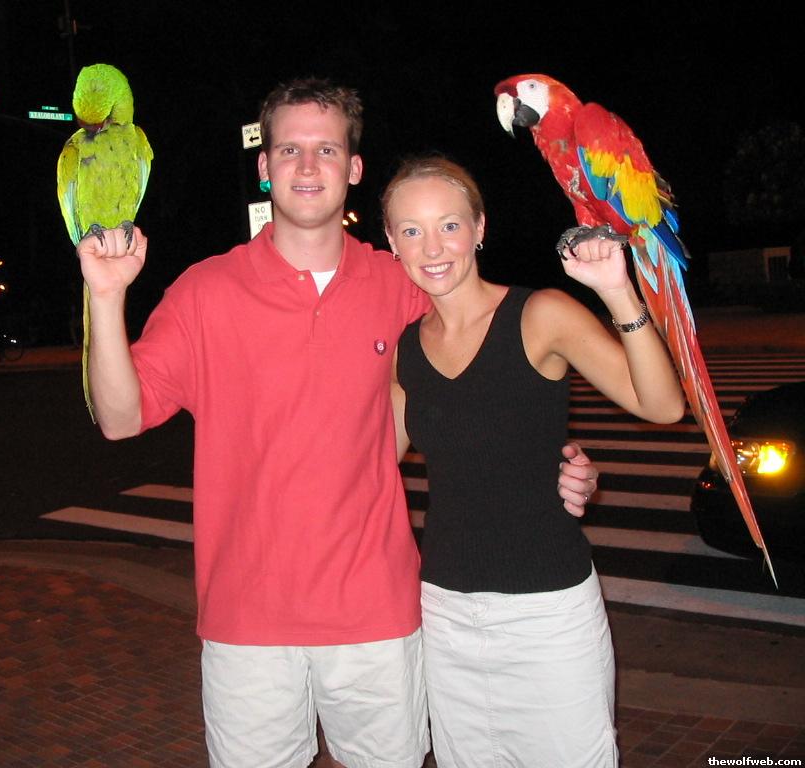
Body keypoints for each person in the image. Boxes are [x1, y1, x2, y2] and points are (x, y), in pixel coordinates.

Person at [77, 80, 598, 768]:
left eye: (326, 149)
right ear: (264, 167)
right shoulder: (205, 291)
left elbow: (488, 370)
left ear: (353, 168)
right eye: (288, 149)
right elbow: (119, 418)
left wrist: (551, 458)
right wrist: (106, 297)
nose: (306, 165)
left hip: (376, 616)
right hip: (246, 621)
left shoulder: (402, 283)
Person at [383, 156, 686, 768]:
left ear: (480, 228)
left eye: (449, 225)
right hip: (444, 611)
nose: (432, 247)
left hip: (548, 611)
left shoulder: (539, 314)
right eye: (412, 230)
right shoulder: (406, 349)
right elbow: (368, 465)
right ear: (392, 242)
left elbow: (661, 405)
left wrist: (617, 290)